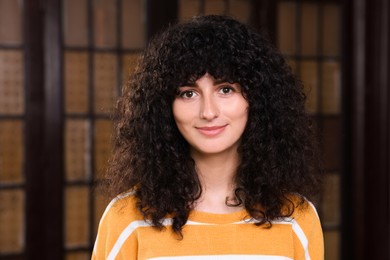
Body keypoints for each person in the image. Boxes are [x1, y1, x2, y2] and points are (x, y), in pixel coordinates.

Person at [92, 15, 324, 260]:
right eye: (189, 93)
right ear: (163, 106)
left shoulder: (297, 220)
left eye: (225, 89)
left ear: (257, 100)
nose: (208, 112)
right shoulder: (127, 219)